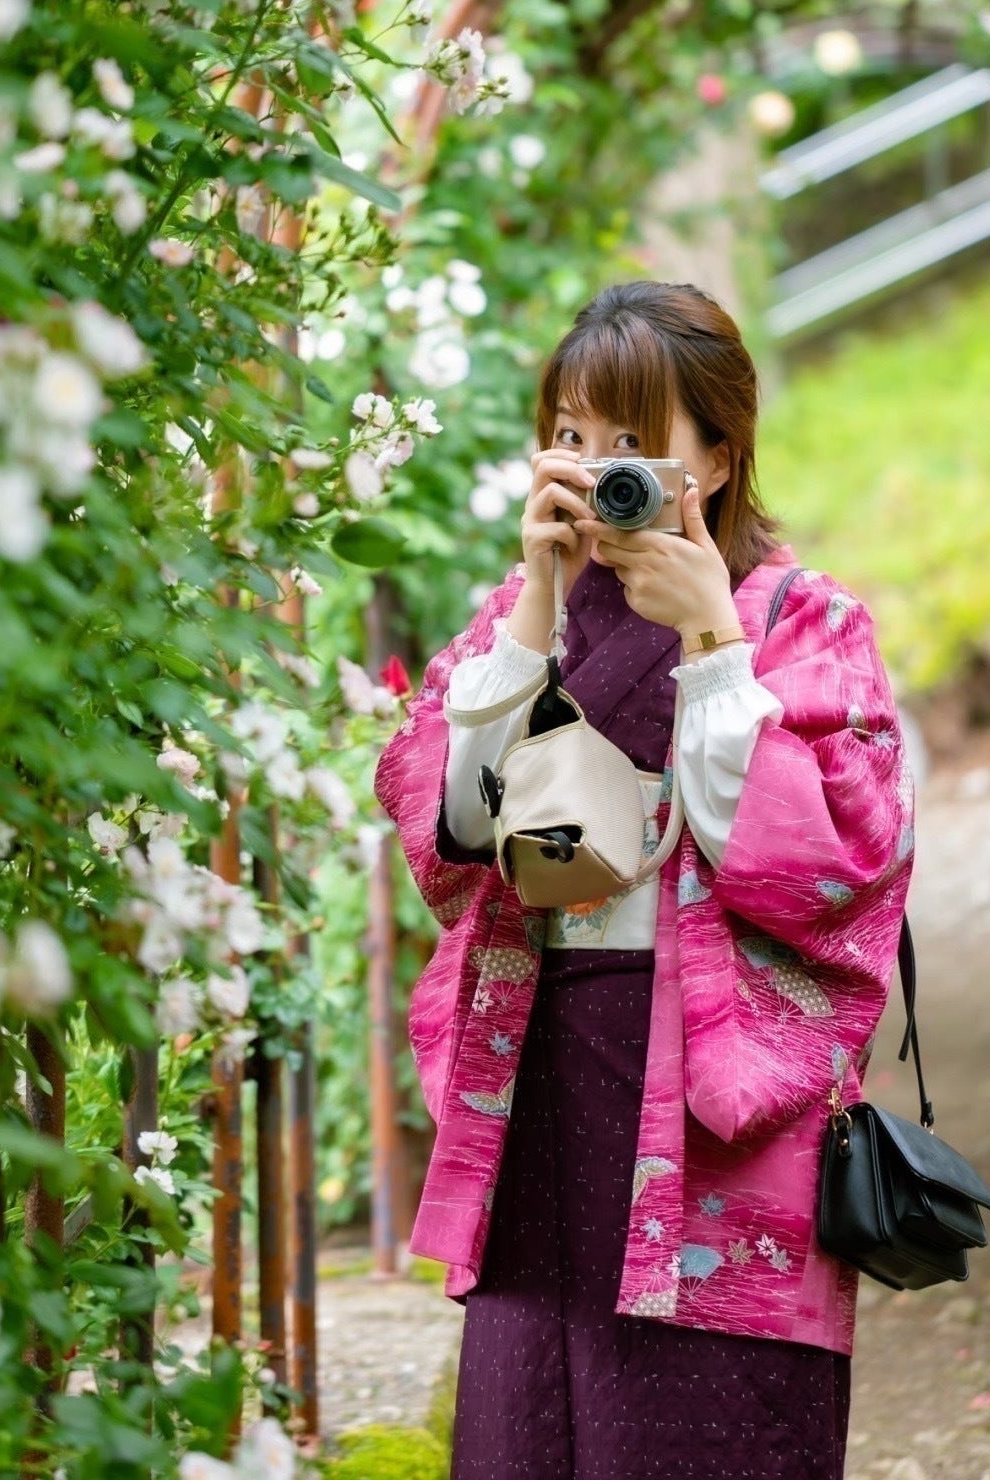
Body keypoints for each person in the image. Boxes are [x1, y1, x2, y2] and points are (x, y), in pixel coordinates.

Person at [375, 280, 915, 1480]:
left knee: (706, 1426)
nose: (594, 466)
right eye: (569, 432)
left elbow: (823, 864)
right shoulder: (522, 614)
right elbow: (452, 825)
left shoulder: (805, 620)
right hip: (542, 1064)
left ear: (714, 457)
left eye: (630, 439)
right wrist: (532, 611)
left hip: (712, 1091)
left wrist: (716, 643)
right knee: (529, 1420)